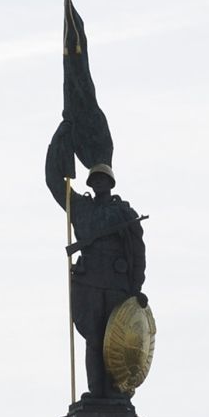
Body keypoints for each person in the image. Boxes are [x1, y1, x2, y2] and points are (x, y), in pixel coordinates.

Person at [46, 121, 146, 398]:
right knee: (94, 339)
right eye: (95, 180)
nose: (99, 183)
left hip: (116, 285)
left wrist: (137, 287)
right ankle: (95, 390)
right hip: (90, 283)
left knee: (117, 341)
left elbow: (137, 252)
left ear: (110, 183)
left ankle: (117, 391)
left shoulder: (124, 214)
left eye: (103, 180)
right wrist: (61, 140)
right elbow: (54, 182)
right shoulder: (81, 209)